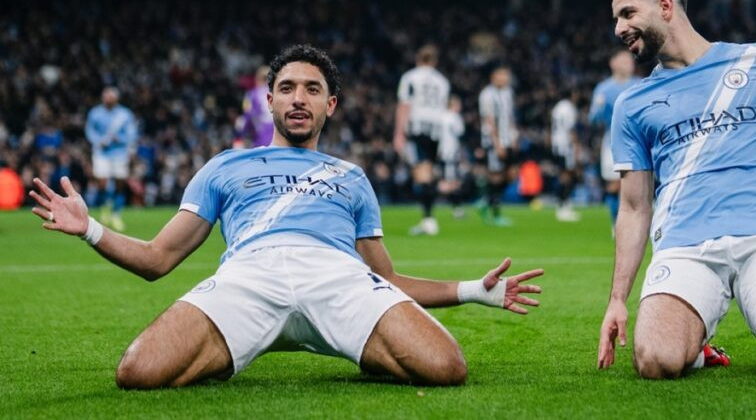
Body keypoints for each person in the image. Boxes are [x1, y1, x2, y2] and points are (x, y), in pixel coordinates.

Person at [30, 45, 544, 389]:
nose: (299, 98)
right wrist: (90, 229)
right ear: (270, 99)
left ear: (331, 105)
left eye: (313, 89)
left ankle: (341, 337)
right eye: (289, 88)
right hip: (250, 275)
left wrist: (473, 290)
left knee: (447, 366)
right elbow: (156, 259)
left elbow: (386, 278)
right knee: (138, 371)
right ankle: (249, 337)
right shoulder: (224, 166)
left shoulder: (352, 176)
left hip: (337, 278)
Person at [597, 0, 756, 379]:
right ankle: (699, 348)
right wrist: (617, 299)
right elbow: (634, 207)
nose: (619, 28)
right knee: (655, 360)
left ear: (665, 6)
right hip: (685, 246)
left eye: (628, 14)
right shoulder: (633, 104)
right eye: (616, 19)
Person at [393, 44, 451, 236]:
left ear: (418, 59)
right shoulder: (442, 81)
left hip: (418, 128)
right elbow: (444, 108)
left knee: (422, 174)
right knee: (428, 172)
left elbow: (404, 105)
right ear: (435, 61)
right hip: (437, 130)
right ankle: (429, 218)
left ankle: (428, 220)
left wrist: (399, 134)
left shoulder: (410, 77)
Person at [588, 49, 640, 235]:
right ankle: (615, 225)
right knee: (613, 184)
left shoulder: (640, 84)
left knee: (636, 185)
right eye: (624, 60)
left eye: (630, 60)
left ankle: (637, 224)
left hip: (637, 142)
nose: (629, 63)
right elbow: (593, 119)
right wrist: (600, 108)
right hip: (612, 142)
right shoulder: (604, 89)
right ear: (613, 64)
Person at [85, 86, 138, 231]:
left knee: (120, 184)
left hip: (120, 153)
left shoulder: (125, 114)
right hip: (102, 153)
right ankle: (105, 210)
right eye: (105, 97)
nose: (107, 99)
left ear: (116, 98)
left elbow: (132, 134)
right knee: (102, 182)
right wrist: (98, 141)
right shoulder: (95, 113)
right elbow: (89, 130)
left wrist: (119, 139)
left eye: (110, 97)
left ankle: (116, 214)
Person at [478, 67, 517, 226]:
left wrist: (514, 137)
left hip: (508, 139)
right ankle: (495, 215)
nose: (506, 79)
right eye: (503, 76)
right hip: (493, 142)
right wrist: (497, 143)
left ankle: (486, 201)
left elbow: (510, 117)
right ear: (494, 77)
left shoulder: (508, 93)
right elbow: (489, 120)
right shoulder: (487, 95)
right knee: (496, 176)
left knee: (512, 174)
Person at [550, 91, 580, 222]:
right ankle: (563, 206)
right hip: (565, 145)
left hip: (556, 144)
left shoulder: (557, 107)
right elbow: (571, 129)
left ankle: (563, 205)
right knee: (566, 176)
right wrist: (576, 146)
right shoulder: (569, 108)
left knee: (563, 175)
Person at [437, 95, 466, 219]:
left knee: (448, 180)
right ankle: (456, 209)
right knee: (453, 183)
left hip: (442, 152)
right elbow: (460, 131)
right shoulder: (455, 117)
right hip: (451, 153)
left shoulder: (440, 116)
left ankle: (454, 207)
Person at [233, 65, 274, 149]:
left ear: (257, 79)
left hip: (261, 139)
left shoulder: (252, 94)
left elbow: (247, 116)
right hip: (279, 140)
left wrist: (238, 136)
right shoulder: (278, 94)